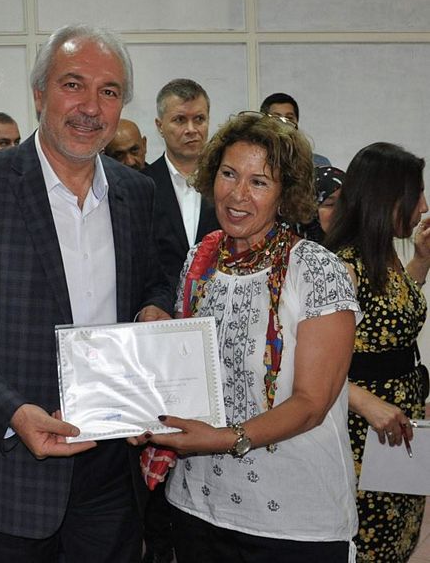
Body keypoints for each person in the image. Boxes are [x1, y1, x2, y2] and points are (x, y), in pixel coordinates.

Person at [0, 24, 173, 563]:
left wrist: (155, 308)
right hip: (3, 471)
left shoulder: (137, 192)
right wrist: (11, 412)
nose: (90, 107)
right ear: (38, 94)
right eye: (73, 85)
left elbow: (154, 281)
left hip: (110, 473)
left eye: (109, 91)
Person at [135, 111, 361, 561]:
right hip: (197, 504)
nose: (237, 195)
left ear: (285, 193)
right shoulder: (200, 260)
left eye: (259, 182)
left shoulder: (316, 269)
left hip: (292, 519)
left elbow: (312, 403)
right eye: (228, 174)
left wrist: (222, 438)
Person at [325, 142, 430, 562]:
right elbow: (307, 364)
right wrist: (367, 403)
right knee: (370, 543)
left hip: (398, 429)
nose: (423, 206)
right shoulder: (344, 267)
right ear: (387, 199)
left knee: (399, 538)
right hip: (363, 436)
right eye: (416, 195)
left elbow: (390, 316)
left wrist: (421, 261)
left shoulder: (385, 255)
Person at [143, 78, 220, 294]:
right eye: (179, 120)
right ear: (160, 126)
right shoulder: (142, 186)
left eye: (199, 119)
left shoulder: (227, 183)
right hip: (161, 307)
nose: (191, 129)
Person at [259, 92, 331, 167]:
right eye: (276, 118)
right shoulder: (256, 159)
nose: (283, 122)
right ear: (264, 122)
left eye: (289, 118)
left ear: (296, 122)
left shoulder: (318, 163)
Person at [297, 165, 346, 242]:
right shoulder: (290, 245)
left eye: (345, 202)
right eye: (330, 204)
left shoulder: (361, 244)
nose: (340, 210)